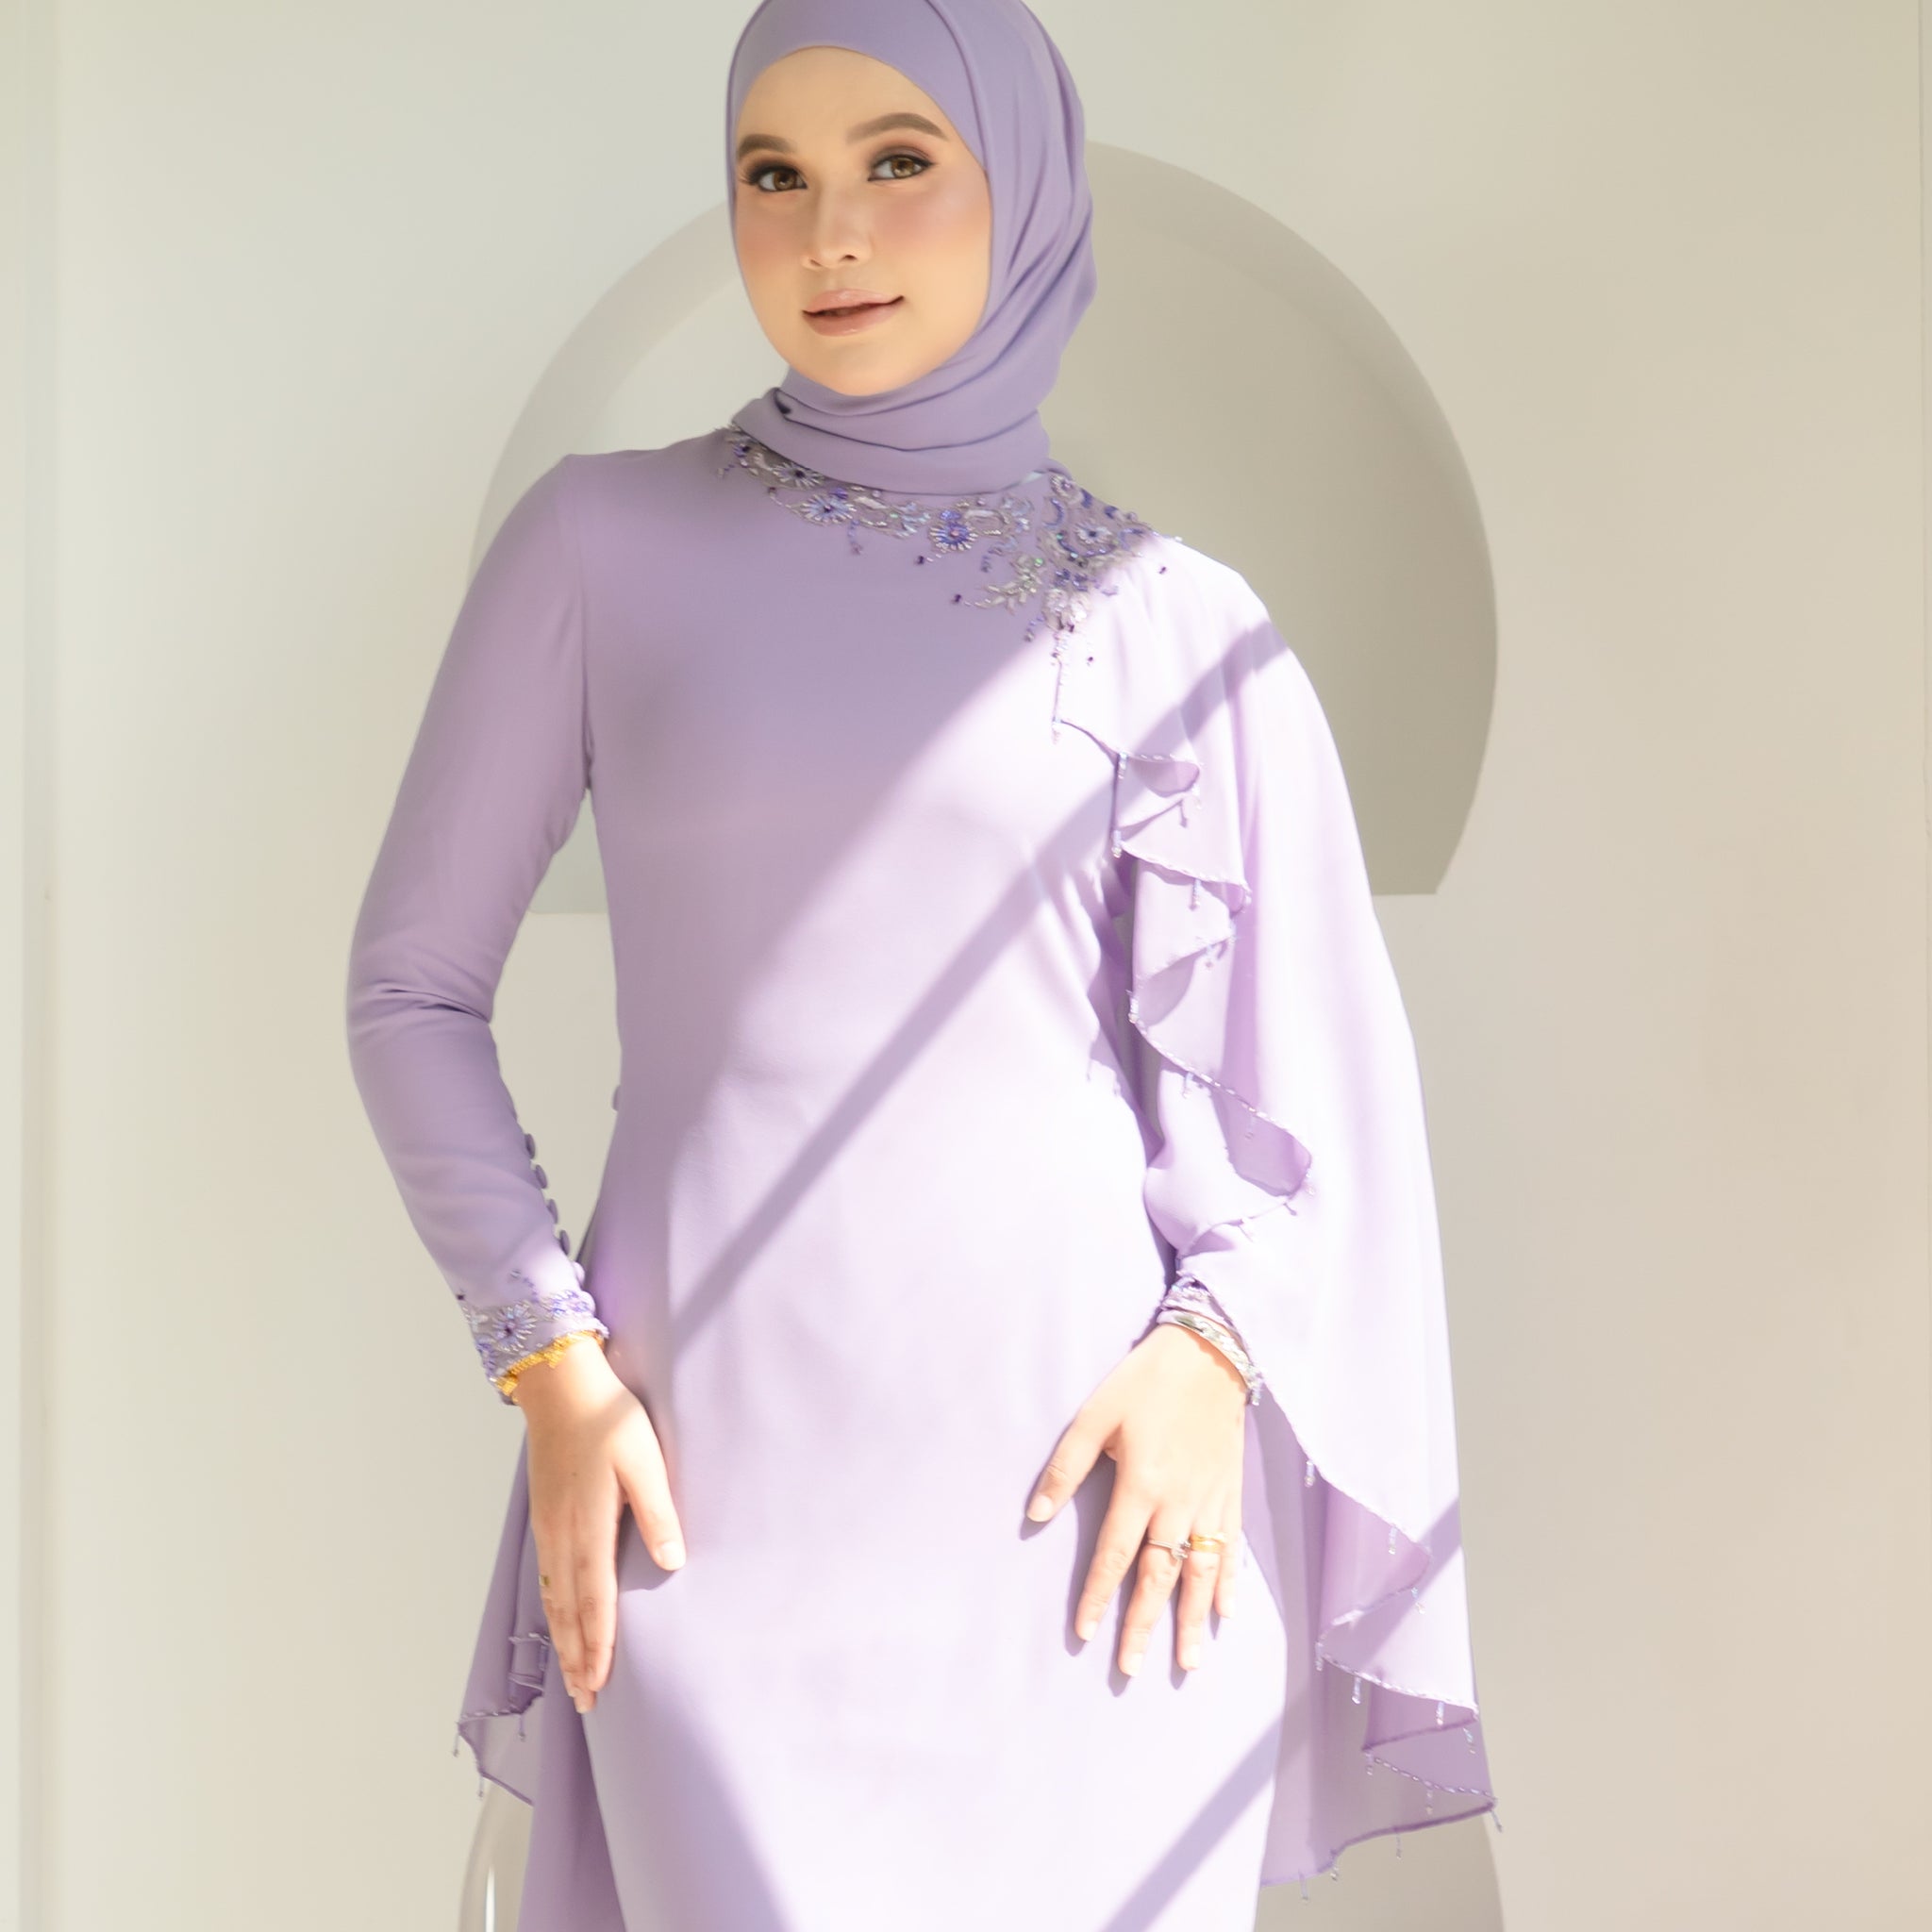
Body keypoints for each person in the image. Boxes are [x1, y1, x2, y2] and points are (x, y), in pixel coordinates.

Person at [344, 1, 1496, 1925]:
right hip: (709, 1509)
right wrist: (550, 1362)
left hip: (1098, 1550)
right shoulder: (598, 547)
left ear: (1021, 184)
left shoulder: (1177, 621)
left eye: (898, 162)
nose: (831, 234)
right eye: (772, 175)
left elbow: (1332, 1105)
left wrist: (1214, 1355)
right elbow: (409, 993)